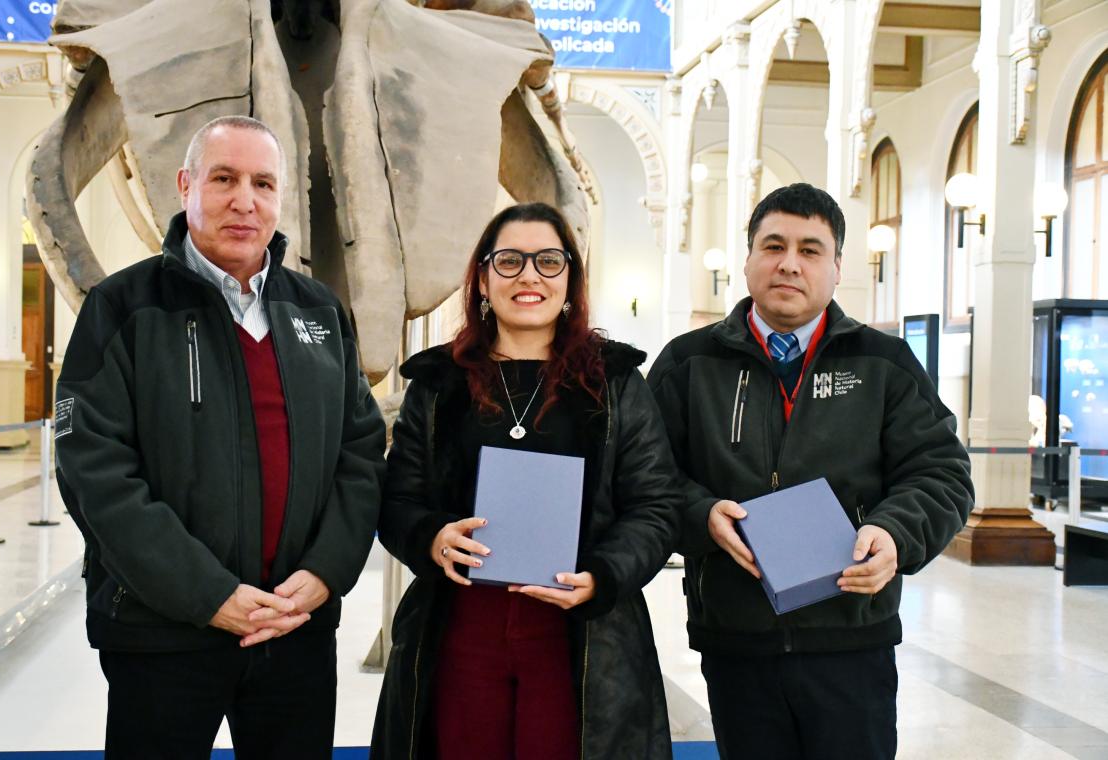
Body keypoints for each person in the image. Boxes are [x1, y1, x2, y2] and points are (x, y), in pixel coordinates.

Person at [54, 115, 386, 758]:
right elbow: (94, 472)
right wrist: (208, 595)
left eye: (263, 183)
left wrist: (324, 574)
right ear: (186, 185)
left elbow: (361, 454)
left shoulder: (317, 311)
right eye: (224, 178)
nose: (245, 200)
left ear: (279, 198)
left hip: (295, 630)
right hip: (163, 637)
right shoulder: (122, 309)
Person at [648, 183, 974, 759]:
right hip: (737, 638)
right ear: (748, 259)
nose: (789, 264)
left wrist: (895, 533)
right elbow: (647, 477)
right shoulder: (688, 364)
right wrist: (701, 515)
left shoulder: (883, 363)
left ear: (837, 267)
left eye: (810, 249)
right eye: (773, 246)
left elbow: (942, 473)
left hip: (852, 636)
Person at [370, 202, 679, 759]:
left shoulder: (616, 384)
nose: (530, 275)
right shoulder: (438, 384)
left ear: (571, 282)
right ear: (484, 280)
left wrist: (604, 577)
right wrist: (432, 537)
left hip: (581, 635)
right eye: (509, 261)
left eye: (549, 261)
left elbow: (656, 506)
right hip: (462, 626)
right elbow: (399, 499)